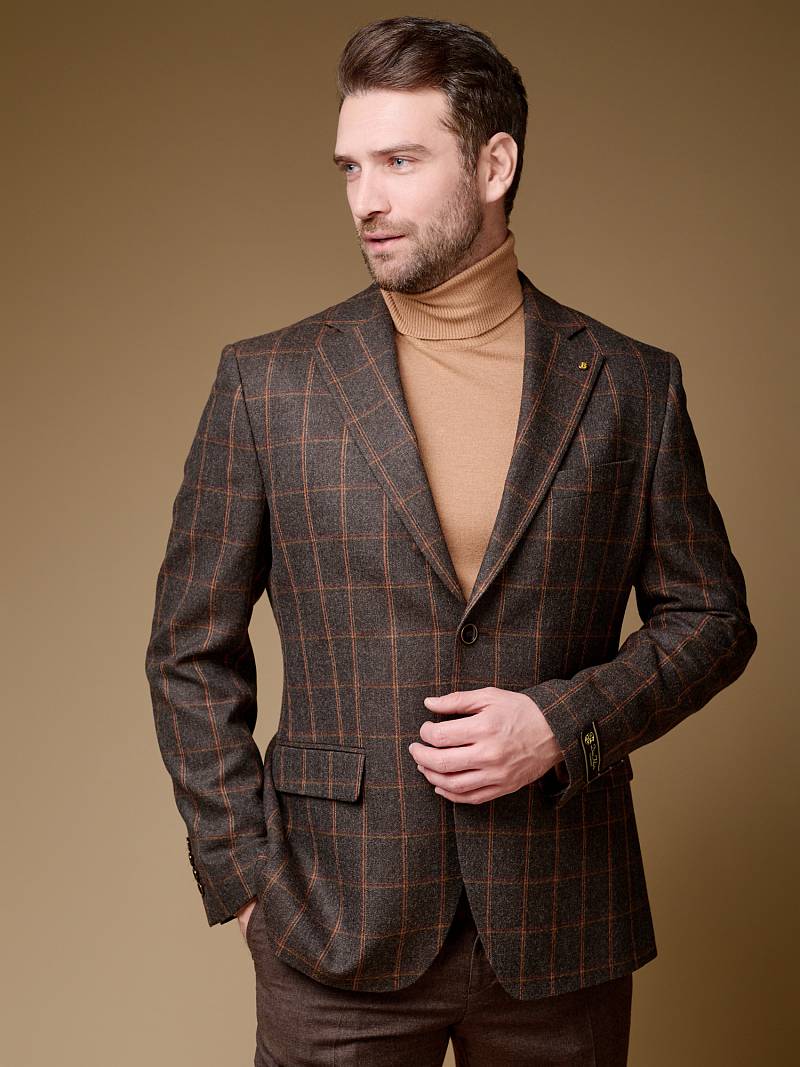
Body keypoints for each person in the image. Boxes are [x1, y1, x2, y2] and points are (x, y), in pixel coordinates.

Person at [144, 15, 757, 1066]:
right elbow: (187, 648)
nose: (364, 199)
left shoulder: (629, 385)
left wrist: (563, 723)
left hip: (561, 922)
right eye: (350, 167)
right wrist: (243, 874)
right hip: (331, 922)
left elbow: (711, 618)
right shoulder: (268, 382)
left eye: (399, 161)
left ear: (493, 164)